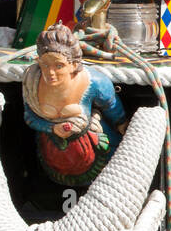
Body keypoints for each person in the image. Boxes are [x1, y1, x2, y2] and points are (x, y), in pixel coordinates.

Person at [22, 23, 128, 187]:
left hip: (98, 152)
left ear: (73, 64)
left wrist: (122, 124)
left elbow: (111, 107)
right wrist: (51, 128)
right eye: (45, 65)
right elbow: (29, 117)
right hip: (53, 157)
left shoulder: (94, 82)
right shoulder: (32, 83)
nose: (50, 73)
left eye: (59, 66)